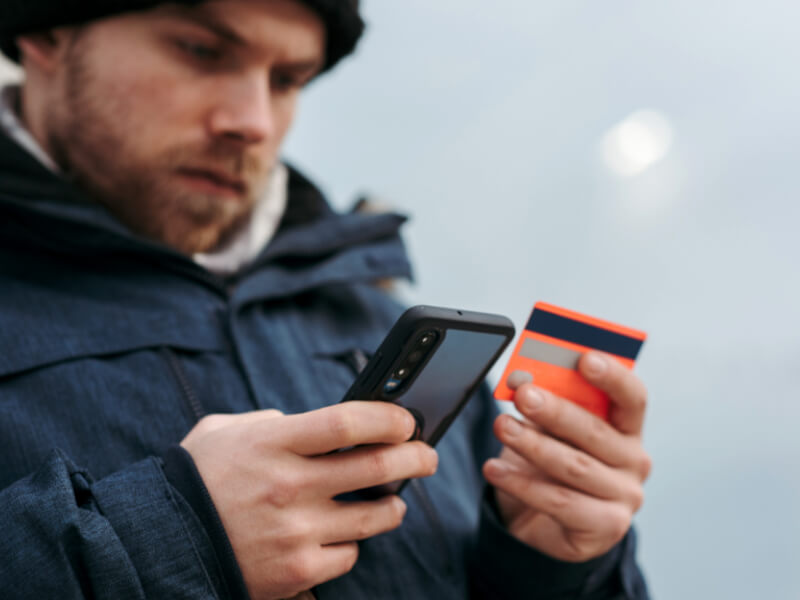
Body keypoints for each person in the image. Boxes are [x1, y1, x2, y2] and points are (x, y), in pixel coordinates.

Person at [0, 1, 652, 598]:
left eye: (287, 80)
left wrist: (555, 565)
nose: (251, 122)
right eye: (201, 51)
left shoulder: (369, 310)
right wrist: (168, 537)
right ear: (46, 31)